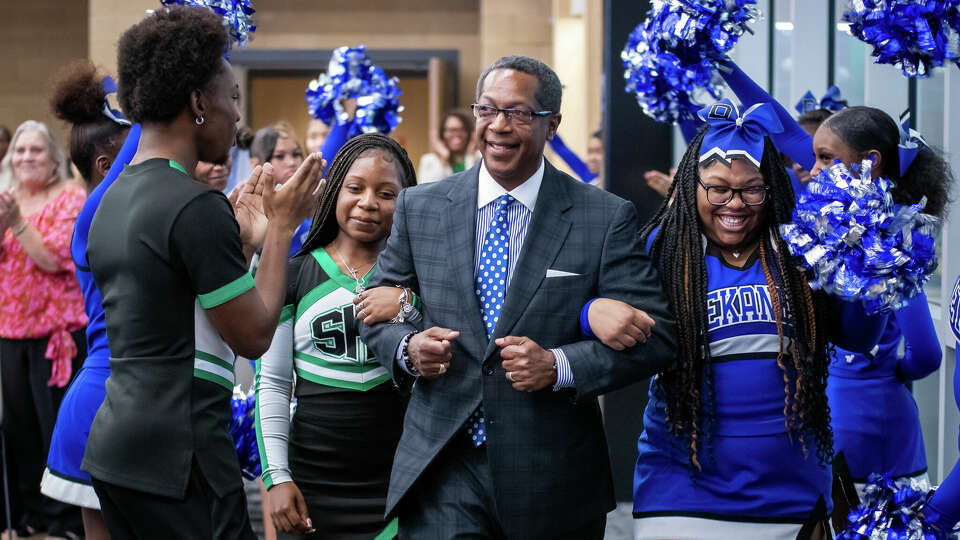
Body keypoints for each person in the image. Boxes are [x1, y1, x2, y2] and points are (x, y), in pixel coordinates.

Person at [358, 55, 676, 539]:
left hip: (553, 475)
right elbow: (377, 311)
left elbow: (658, 338)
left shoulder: (604, 217)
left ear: (553, 125)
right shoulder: (419, 207)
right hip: (445, 461)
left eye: (519, 113)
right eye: (487, 110)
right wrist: (408, 349)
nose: (498, 126)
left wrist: (559, 364)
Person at [585, 99, 887, 539]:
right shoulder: (661, 248)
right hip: (683, 497)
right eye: (718, 188)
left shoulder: (803, 248)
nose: (735, 203)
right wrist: (590, 310)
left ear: (774, 189)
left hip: (793, 498)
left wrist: (868, 265)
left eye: (752, 189)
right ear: (692, 186)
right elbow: (588, 317)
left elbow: (859, 338)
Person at [82, 7, 323, 538]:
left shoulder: (111, 200)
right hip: (181, 455)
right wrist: (282, 228)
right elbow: (256, 335)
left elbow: (173, 298)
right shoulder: (195, 206)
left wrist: (237, 242)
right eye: (231, 97)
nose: (238, 115)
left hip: (113, 448)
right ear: (197, 102)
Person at [256, 133, 417, 540]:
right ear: (334, 191)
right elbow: (273, 383)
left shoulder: (420, 279)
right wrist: (277, 477)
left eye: (387, 193)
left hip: (400, 483)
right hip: (313, 483)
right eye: (355, 188)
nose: (368, 203)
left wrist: (408, 305)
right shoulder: (294, 275)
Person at [811, 106, 950, 493]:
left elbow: (928, 353)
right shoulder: (877, 240)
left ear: (870, 162)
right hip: (875, 427)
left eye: (824, 158)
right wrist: (891, 370)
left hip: (848, 429)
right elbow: (924, 354)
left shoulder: (874, 241)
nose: (813, 170)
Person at [39, 59, 133, 540]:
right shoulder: (91, 216)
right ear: (106, 167)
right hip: (102, 403)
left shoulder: (131, 216)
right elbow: (145, 135)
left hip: (134, 401)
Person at [0, 119, 87, 539]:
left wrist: (17, 223)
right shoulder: (6, 200)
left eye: (35, 150)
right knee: (20, 430)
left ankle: (66, 520)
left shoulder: (70, 198)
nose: (26, 157)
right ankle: (31, 514)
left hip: (59, 335)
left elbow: (53, 259)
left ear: (53, 159)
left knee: (56, 428)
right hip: (11, 331)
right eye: (19, 151)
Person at [417, 110, 480, 183]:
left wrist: (470, 157)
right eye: (451, 130)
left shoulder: (479, 158)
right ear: (442, 133)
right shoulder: (428, 160)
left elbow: (473, 185)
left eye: (461, 130)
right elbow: (426, 190)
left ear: (469, 133)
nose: (456, 135)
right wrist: (444, 159)